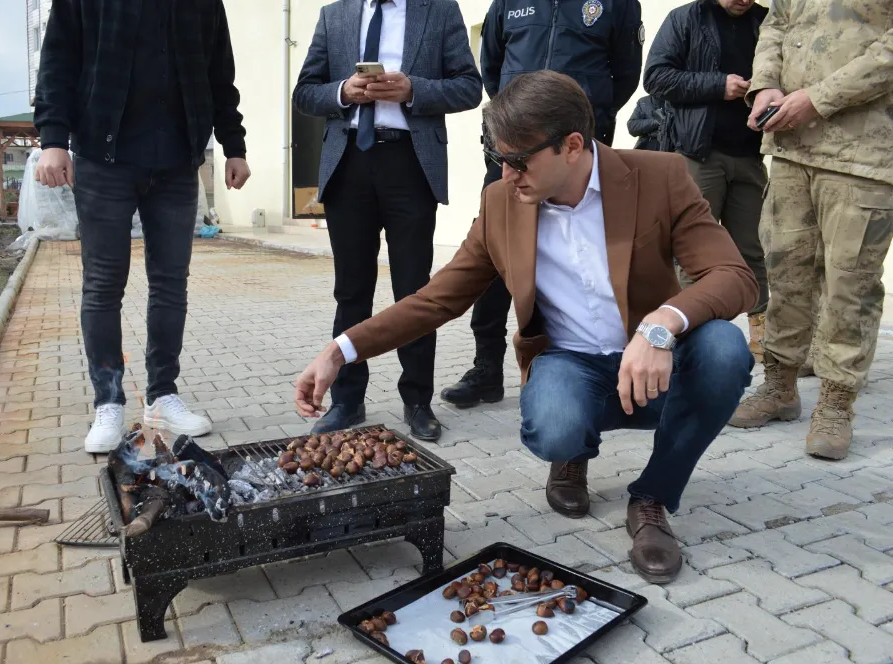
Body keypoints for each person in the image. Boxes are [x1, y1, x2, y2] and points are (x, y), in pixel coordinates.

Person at [294, 71, 758, 583]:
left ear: (573, 146)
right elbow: (435, 300)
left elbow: (735, 278)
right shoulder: (500, 204)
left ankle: (652, 497)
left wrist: (661, 327)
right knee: (554, 424)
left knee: (724, 349)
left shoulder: (660, 177)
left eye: (518, 161)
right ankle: (572, 453)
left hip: (652, 363)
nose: (507, 174)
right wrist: (341, 350)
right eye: (499, 159)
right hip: (570, 366)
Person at [34, 0, 251, 453]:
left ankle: (162, 395)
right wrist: (53, 139)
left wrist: (234, 145)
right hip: (102, 158)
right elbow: (58, 62)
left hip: (176, 162)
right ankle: (108, 402)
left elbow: (219, 76)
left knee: (171, 284)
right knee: (103, 285)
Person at [292, 0, 482, 442]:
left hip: (410, 164)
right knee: (351, 289)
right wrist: (343, 92)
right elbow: (305, 92)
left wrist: (412, 90)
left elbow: (469, 87)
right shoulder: (334, 15)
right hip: (348, 164)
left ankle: (417, 401)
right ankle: (346, 401)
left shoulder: (438, 11)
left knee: (415, 289)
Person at [440, 0, 645, 410]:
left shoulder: (617, 3)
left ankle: (581, 370)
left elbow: (624, 76)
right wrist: (520, 127)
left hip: (575, 155)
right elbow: (493, 69)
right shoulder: (510, 3)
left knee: (577, 260)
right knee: (497, 256)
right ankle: (487, 369)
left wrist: (584, 122)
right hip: (515, 156)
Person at [728, 0, 892, 460]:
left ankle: (837, 404)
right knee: (785, 273)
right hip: (792, 148)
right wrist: (764, 86)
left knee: (849, 284)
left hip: (864, 154)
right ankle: (779, 388)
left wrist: (817, 98)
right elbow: (777, 23)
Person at [643, 0, 770, 362]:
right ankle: (694, 332)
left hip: (751, 155)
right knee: (692, 251)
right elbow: (655, 77)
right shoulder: (685, 18)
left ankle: (762, 338)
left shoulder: (766, 21)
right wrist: (719, 84)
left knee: (752, 250)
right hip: (699, 154)